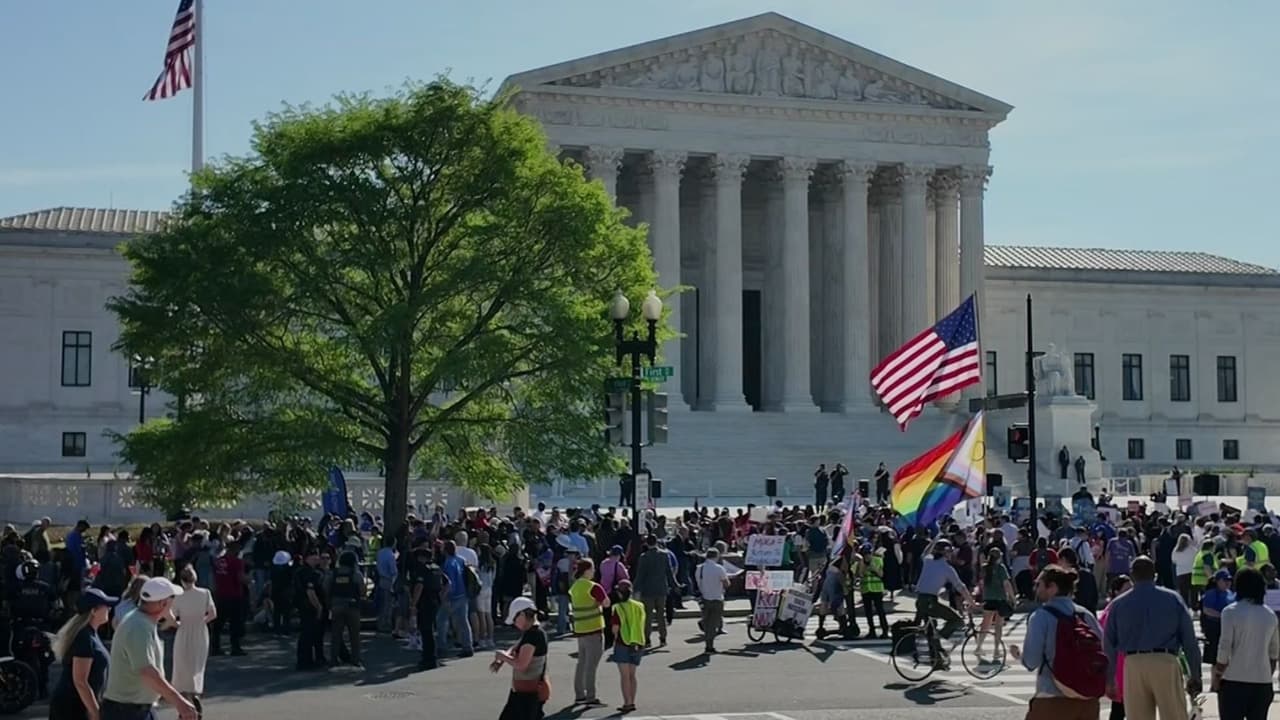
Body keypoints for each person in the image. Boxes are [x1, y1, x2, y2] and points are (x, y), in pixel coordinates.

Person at [1102, 556, 1201, 720]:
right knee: (1174, 715)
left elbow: (1109, 644)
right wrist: (1195, 674)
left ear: (1132, 575)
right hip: (1165, 661)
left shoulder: (1118, 604)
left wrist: (1110, 677)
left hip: (1133, 664)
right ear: (1154, 574)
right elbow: (1189, 641)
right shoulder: (1173, 599)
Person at [1010, 564, 1105, 720]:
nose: (1036, 588)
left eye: (1039, 584)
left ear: (1052, 587)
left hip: (1052, 695)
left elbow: (1031, 662)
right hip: (1087, 698)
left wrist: (1019, 655)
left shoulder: (1041, 616)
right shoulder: (1085, 615)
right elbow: (1103, 649)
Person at [100, 577, 198, 720]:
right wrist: (179, 702)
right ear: (162, 603)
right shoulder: (138, 627)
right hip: (127, 711)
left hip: (137, 708)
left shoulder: (142, 622)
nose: (173, 603)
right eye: (172, 598)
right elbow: (147, 672)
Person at [1213, 567, 1279, 720]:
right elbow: (1274, 652)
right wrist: (1267, 674)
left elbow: (1225, 646)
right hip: (1262, 682)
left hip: (1234, 681)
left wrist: (1217, 675)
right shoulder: (1270, 615)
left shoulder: (1230, 612)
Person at [48, 588, 115, 720]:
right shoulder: (84, 638)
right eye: (105, 606)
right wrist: (95, 712)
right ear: (93, 611)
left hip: (79, 705)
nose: (109, 608)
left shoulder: (90, 634)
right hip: (72, 708)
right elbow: (80, 681)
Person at [914, 539, 975, 670]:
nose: (951, 554)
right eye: (950, 552)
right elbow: (961, 587)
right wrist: (972, 602)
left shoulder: (928, 560)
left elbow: (925, 553)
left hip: (921, 600)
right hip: (930, 601)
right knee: (957, 620)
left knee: (931, 630)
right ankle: (940, 642)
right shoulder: (947, 568)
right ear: (946, 553)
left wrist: (934, 541)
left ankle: (937, 660)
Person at [491, 597, 548, 720]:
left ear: (522, 614)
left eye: (515, 619)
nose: (514, 624)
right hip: (524, 691)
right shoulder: (531, 632)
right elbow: (515, 647)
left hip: (528, 694)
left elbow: (521, 665)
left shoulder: (533, 636)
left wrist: (502, 656)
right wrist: (503, 658)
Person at [170, 566, 215, 709]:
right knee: (197, 665)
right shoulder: (205, 593)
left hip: (184, 631)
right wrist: (201, 621)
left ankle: (186, 702)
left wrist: (178, 624)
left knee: (182, 666)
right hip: (200, 631)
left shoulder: (179, 596)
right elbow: (213, 614)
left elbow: (171, 616)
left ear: (182, 580)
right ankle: (195, 695)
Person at [568, 558, 608, 707]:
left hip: (580, 628)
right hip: (594, 628)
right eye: (592, 569)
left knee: (582, 663)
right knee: (591, 666)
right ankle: (591, 697)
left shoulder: (575, 586)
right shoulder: (593, 586)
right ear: (587, 570)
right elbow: (607, 602)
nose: (594, 571)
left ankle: (579, 695)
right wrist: (598, 603)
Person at [1099, 575, 1134, 720]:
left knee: (1122, 708)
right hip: (1119, 665)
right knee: (1122, 707)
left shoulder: (1125, 608)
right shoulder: (1112, 611)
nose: (1131, 593)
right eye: (1126, 590)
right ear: (1115, 592)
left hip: (1127, 664)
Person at [608, 579, 644, 714]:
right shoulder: (639, 605)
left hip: (623, 642)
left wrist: (614, 637)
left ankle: (627, 702)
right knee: (632, 675)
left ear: (619, 593)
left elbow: (615, 628)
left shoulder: (617, 608)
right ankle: (633, 701)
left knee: (624, 676)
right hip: (638, 642)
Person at [410, 545, 446, 670]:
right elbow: (447, 584)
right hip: (435, 600)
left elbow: (419, 587)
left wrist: (413, 604)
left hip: (425, 602)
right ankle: (431, 656)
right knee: (430, 630)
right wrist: (441, 597)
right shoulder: (437, 568)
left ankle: (429, 658)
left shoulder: (423, 569)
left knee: (426, 631)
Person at [327, 549, 365, 668]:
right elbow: (362, 591)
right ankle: (356, 659)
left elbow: (326, 588)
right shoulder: (356, 574)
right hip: (352, 606)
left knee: (336, 634)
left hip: (336, 606)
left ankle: (334, 659)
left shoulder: (333, 573)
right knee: (354, 635)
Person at [975, 547, 1015, 658]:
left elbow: (981, 583)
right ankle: (997, 650)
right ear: (999, 557)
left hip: (988, 598)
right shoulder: (1001, 568)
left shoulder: (984, 568)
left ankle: (979, 647)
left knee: (985, 624)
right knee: (998, 625)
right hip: (1000, 598)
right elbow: (1006, 584)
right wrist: (1012, 597)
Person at [696, 548, 729, 653]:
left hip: (704, 598)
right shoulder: (719, 568)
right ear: (717, 556)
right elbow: (726, 584)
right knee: (713, 624)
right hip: (717, 598)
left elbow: (698, 582)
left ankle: (703, 624)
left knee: (708, 621)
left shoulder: (699, 568)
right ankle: (709, 645)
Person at [1202, 569, 1236, 665]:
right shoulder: (1211, 593)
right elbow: (1207, 610)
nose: (1228, 582)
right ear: (1217, 581)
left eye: (1229, 580)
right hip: (1214, 628)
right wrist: (1223, 615)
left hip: (1228, 627)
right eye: (1224, 580)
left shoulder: (1231, 593)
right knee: (1215, 660)